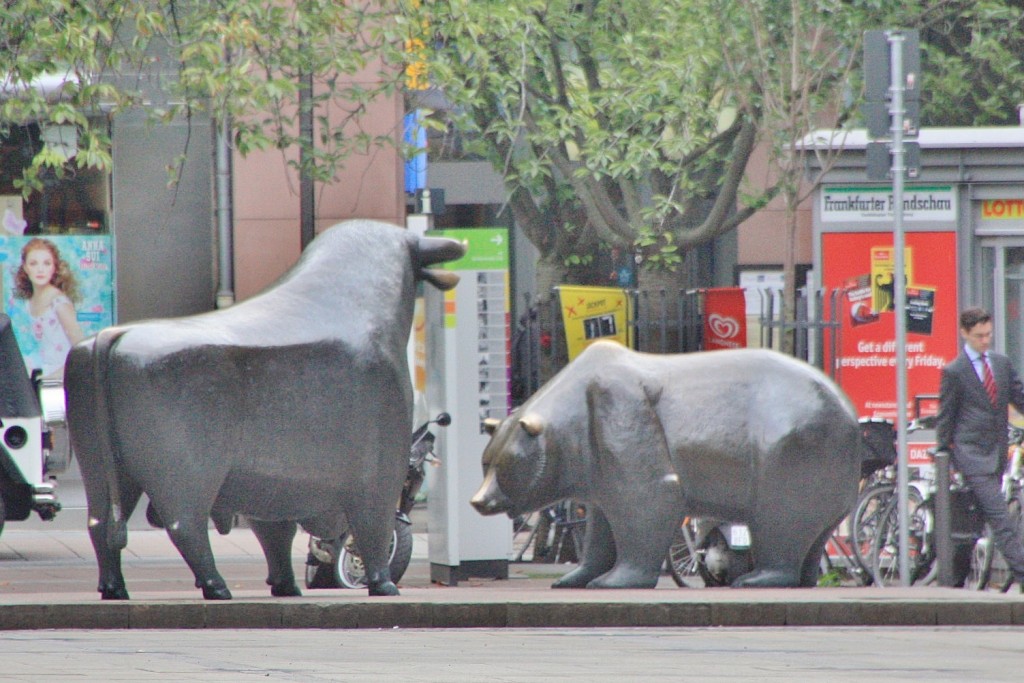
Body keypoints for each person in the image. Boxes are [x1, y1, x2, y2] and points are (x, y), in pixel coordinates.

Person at [935, 307, 1024, 591]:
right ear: (965, 333)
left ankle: (953, 580)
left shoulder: (1000, 363)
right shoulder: (954, 371)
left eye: (988, 335)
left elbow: (1018, 397)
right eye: (978, 336)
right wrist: (943, 455)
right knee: (1000, 516)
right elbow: (946, 416)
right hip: (971, 454)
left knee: (975, 521)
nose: (985, 341)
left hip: (997, 451)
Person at [10, 237, 85, 378]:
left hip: (63, 377)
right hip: (42, 375)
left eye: (46, 263)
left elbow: (81, 350)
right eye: (33, 263)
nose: (40, 269)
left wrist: (53, 377)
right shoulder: (28, 303)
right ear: (25, 268)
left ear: (54, 267)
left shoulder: (59, 303)